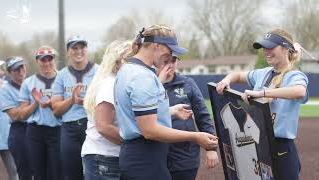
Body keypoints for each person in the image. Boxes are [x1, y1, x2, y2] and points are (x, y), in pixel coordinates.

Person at [114, 25, 218, 180]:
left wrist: (169, 111)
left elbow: (137, 117)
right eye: (169, 50)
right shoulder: (142, 76)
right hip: (145, 159)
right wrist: (195, 136)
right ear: (157, 46)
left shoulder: (128, 69)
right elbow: (150, 130)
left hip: (138, 156)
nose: (170, 56)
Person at [216, 28, 308, 180]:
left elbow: (299, 92)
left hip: (281, 148)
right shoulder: (263, 72)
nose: (266, 51)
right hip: (258, 144)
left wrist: (262, 93)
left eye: (270, 47)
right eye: (264, 47)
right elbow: (237, 75)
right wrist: (226, 80)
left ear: (285, 48)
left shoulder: (295, 75)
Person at [159, 54, 219, 180]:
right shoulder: (148, 85)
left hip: (185, 157)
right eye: (165, 61)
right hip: (157, 156)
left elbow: (202, 115)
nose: (170, 65)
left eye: (173, 60)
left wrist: (211, 148)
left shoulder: (187, 83)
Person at [81, 40, 134, 180]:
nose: (135, 63)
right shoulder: (110, 84)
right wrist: (132, 143)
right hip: (104, 158)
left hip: (105, 157)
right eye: (130, 59)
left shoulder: (114, 82)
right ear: (117, 62)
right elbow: (103, 126)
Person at [51, 35, 98, 180]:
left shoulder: (99, 71)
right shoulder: (62, 75)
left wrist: (88, 101)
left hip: (92, 127)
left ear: (87, 49)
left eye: (82, 47)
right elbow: (56, 110)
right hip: (69, 129)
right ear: (68, 52)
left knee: (93, 173)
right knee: (71, 173)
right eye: (74, 48)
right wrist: (71, 100)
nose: (79, 51)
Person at [18, 46, 62, 180]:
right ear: (37, 62)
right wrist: (36, 103)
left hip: (58, 130)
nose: (47, 63)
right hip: (35, 132)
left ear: (55, 60)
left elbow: (68, 108)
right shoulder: (28, 82)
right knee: (38, 173)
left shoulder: (64, 78)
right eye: (43, 60)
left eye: (50, 59)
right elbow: (22, 114)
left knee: (57, 172)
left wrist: (51, 104)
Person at [0, 57, 32, 180]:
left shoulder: (32, 83)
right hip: (15, 131)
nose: (20, 71)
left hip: (33, 129)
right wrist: (34, 105)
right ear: (10, 72)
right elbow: (16, 115)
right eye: (16, 69)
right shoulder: (5, 89)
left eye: (22, 67)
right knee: (18, 171)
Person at [0, 59, 19, 180]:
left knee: (13, 170)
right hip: (5, 133)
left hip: (6, 134)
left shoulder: (7, 86)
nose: (1, 71)